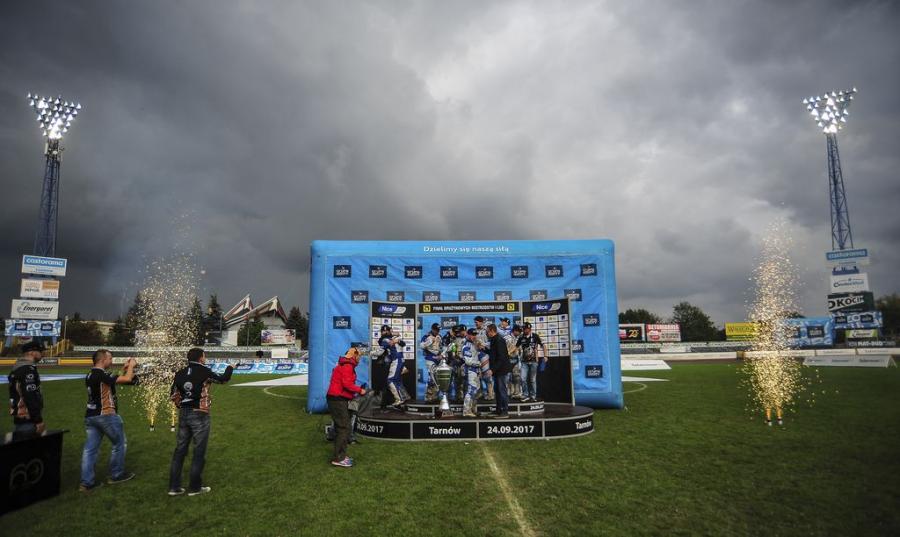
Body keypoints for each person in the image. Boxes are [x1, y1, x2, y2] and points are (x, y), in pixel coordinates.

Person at [168, 347, 234, 497]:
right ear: (201, 358)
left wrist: (182, 405)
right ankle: (195, 488)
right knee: (199, 451)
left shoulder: (180, 373)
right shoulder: (204, 371)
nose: (205, 358)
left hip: (184, 413)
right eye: (204, 356)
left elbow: (173, 395)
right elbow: (223, 379)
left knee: (180, 451)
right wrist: (230, 367)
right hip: (200, 414)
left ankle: (174, 487)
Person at [80, 350, 138, 491]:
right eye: (110, 358)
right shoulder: (101, 374)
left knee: (90, 450)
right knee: (119, 444)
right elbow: (127, 379)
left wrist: (124, 370)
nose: (111, 361)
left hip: (91, 416)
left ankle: (86, 483)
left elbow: (111, 382)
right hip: (106, 415)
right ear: (102, 360)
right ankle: (116, 475)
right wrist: (131, 366)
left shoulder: (91, 374)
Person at [326, 348, 366, 467]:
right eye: (359, 356)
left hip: (338, 398)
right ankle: (339, 458)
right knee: (343, 427)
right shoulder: (348, 366)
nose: (359, 359)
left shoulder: (345, 364)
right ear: (354, 356)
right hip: (337, 399)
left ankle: (341, 455)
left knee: (343, 427)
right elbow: (347, 384)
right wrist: (360, 390)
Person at [7, 341, 45, 440]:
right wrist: (38, 420)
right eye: (40, 351)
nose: (42, 354)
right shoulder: (27, 369)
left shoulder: (18, 367)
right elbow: (30, 396)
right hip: (28, 418)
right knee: (28, 446)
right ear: (31, 352)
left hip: (21, 416)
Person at [379, 325, 409, 409]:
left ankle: (399, 399)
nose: (385, 332)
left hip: (394, 362)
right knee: (396, 380)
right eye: (383, 331)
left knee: (390, 380)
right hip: (391, 362)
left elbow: (403, 344)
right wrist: (394, 338)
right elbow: (381, 342)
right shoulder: (385, 339)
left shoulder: (394, 338)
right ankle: (404, 396)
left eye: (387, 330)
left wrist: (397, 339)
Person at [517, 322, 546, 402]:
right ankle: (525, 395)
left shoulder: (535, 336)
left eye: (525, 329)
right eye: (523, 329)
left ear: (529, 329)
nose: (523, 330)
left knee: (532, 380)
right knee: (522, 378)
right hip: (524, 362)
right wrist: (508, 353)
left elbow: (543, 345)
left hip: (534, 362)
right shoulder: (521, 337)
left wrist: (545, 356)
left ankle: (533, 396)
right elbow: (516, 346)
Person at [486, 324, 511, 418]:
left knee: (502, 390)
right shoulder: (493, 339)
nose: (486, 333)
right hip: (497, 370)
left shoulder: (499, 340)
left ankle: (505, 411)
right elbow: (493, 353)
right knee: (497, 390)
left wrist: (492, 369)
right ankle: (498, 410)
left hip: (501, 370)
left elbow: (501, 358)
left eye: (487, 331)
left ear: (492, 331)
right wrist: (484, 349)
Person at [460, 329, 482, 417]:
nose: (474, 336)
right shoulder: (466, 346)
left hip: (475, 370)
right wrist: (479, 364)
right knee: (471, 390)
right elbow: (468, 361)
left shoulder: (474, 344)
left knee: (475, 391)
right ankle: (466, 411)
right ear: (468, 335)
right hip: (470, 370)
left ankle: (473, 409)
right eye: (473, 335)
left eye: (475, 334)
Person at [420, 323, 443, 402]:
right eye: (436, 330)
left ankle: (435, 396)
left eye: (438, 330)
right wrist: (429, 342)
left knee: (437, 378)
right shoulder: (426, 336)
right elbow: (421, 346)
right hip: (430, 358)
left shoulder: (439, 336)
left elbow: (441, 347)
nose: (437, 331)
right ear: (432, 329)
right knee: (432, 378)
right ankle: (428, 397)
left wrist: (441, 355)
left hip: (438, 359)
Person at [473, 316, 494, 400]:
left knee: (487, 375)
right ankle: (480, 393)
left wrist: (483, 345)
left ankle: (490, 393)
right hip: (476, 355)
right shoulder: (474, 331)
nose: (476, 324)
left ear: (481, 322)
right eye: (475, 322)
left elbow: (492, 341)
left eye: (477, 322)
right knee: (478, 375)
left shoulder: (486, 330)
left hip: (485, 355)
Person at [506, 325, 524, 400]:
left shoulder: (519, 338)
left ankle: (516, 393)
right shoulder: (507, 338)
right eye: (519, 331)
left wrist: (521, 356)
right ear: (514, 331)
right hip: (507, 360)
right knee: (507, 378)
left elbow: (520, 349)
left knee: (516, 377)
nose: (520, 333)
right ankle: (508, 393)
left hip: (516, 360)